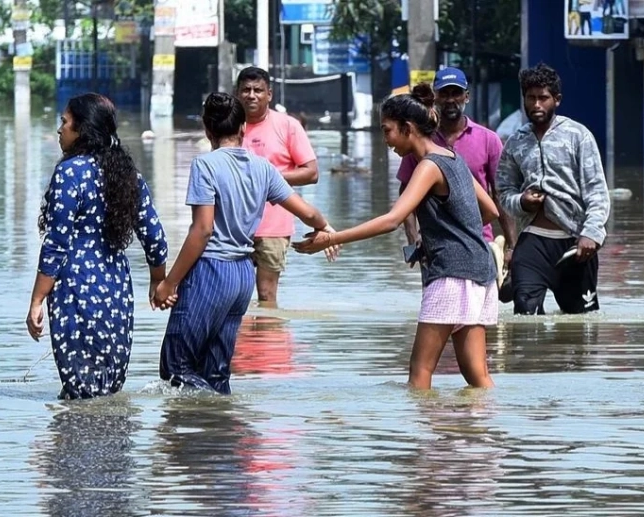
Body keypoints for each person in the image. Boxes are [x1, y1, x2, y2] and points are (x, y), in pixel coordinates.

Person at [294, 83, 499, 390]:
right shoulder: (454, 158)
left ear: (408, 128)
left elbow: (392, 220)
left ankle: (421, 425)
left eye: (387, 130)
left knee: (419, 374)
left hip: (451, 275)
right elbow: (490, 210)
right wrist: (453, 232)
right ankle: (492, 422)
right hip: (481, 272)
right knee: (478, 377)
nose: (385, 139)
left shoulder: (428, 166)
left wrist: (332, 239)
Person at [153, 92, 336, 395]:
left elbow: (202, 231)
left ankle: (209, 415)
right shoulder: (263, 167)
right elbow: (307, 213)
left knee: (175, 368)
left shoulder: (205, 165)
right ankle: (223, 421)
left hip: (211, 271)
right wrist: (327, 229)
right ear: (243, 128)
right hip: (241, 276)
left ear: (207, 129)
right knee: (216, 372)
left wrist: (169, 283)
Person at [26, 93, 168, 399]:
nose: (59, 129)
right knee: (107, 390)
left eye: (64, 122)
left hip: (75, 290)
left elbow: (56, 244)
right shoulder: (128, 175)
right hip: (117, 292)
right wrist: (157, 280)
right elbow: (155, 237)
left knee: (79, 391)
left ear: (82, 129)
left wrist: (36, 300)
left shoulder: (70, 172)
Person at [496, 63, 610, 315]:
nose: (537, 104)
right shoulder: (515, 142)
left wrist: (591, 233)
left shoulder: (578, 136)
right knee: (525, 313)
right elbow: (503, 191)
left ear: (556, 100)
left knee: (582, 322)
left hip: (575, 245)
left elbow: (597, 192)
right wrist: (522, 202)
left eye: (543, 98)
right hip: (532, 242)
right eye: (531, 98)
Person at [398, 67, 516, 285]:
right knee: (437, 303)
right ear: (435, 97)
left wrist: (511, 246)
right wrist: (413, 239)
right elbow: (405, 194)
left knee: (477, 303)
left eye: (456, 93)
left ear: (466, 97)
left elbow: (500, 195)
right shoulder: (421, 141)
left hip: (479, 241)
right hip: (435, 246)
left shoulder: (488, 140)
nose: (450, 100)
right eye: (444, 93)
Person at [235, 66, 323, 307]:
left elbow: (311, 172)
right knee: (233, 296)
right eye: (245, 90)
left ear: (269, 94)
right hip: (233, 226)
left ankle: (268, 332)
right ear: (237, 93)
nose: (251, 95)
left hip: (273, 225)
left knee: (266, 295)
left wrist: (269, 178)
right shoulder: (229, 126)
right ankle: (241, 334)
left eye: (258, 90)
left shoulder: (288, 125)